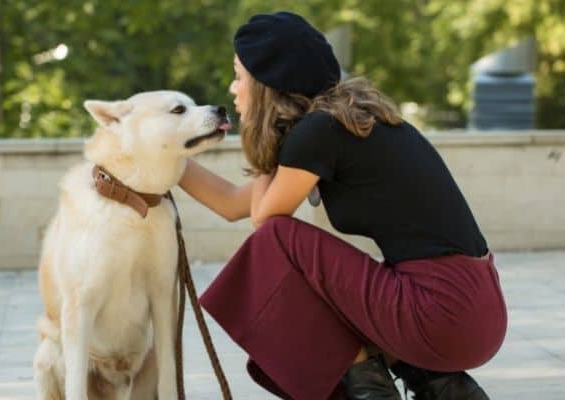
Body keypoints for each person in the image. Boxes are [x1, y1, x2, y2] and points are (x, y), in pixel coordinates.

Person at [178, 11, 507, 400]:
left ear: (268, 82)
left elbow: (264, 221)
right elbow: (234, 203)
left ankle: (373, 395)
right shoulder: (346, 121)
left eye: (238, 75)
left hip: (442, 312)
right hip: (474, 310)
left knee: (277, 241)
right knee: (302, 268)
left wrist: (260, 135)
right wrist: (163, 155)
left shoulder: (319, 132)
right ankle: (442, 387)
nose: (233, 89)